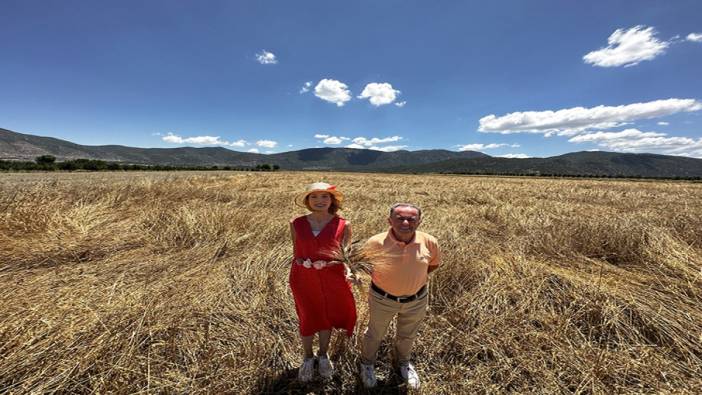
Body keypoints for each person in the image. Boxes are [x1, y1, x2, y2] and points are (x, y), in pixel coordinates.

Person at [359, 203, 441, 389]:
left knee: (407, 335)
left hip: (417, 300)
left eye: (411, 219)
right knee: (374, 334)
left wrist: (413, 279)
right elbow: (363, 266)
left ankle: (403, 364)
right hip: (382, 299)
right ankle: (367, 364)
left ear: (419, 221)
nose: (405, 222)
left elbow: (433, 265)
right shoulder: (375, 242)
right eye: (400, 218)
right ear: (389, 221)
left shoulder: (429, 242)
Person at [289, 182, 357, 382]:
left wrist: (351, 272)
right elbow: (296, 251)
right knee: (308, 315)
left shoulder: (343, 224)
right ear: (307, 201)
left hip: (333, 278)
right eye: (314, 197)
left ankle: (323, 354)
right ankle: (307, 357)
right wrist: (304, 262)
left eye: (324, 197)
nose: (319, 201)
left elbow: (346, 255)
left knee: (326, 315)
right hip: (303, 278)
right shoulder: (296, 223)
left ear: (332, 200)